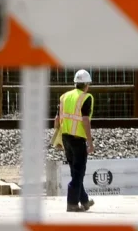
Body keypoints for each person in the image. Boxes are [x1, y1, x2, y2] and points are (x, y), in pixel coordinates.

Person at [55, 69, 96, 212]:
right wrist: (90, 142)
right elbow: (85, 120)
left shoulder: (64, 97)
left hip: (66, 137)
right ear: (86, 84)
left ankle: (84, 200)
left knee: (75, 171)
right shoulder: (86, 97)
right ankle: (72, 204)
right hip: (78, 139)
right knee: (79, 172)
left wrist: (58, 139)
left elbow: (56, 120)